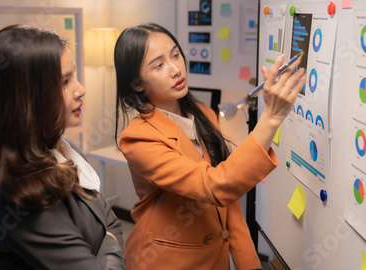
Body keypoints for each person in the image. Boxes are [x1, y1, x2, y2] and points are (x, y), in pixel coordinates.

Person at [113, 22, 306, 270]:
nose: (175, 69)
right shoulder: (138, 139)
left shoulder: (204, 114)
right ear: (138, 84)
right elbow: (216, 186)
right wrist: (271, 118)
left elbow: (229, 205)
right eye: (159, 65)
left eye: (175, 55)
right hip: (164, 261)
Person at [0, 24, 126, 269]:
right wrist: (112, 244)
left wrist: (109, 238)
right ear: (27, 99)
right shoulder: (22, 193)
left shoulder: (63, 147)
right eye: (65, 81)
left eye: (74, 75)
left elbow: (112, 223)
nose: (81, 89)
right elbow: (110, 231)